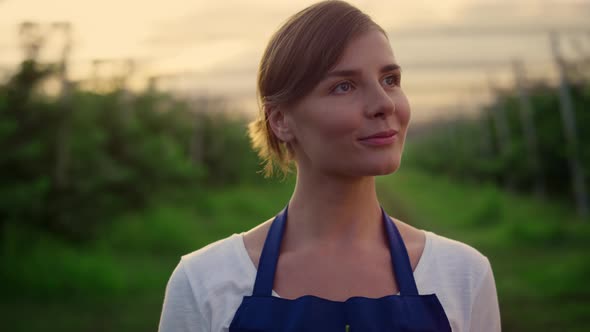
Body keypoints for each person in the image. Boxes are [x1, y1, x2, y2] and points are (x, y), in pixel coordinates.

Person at [158, 1, 501, 331]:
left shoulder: (464, 275)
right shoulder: (203, 283)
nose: (383, 104)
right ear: (280, 121)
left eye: (390, 80)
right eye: (343, 86)